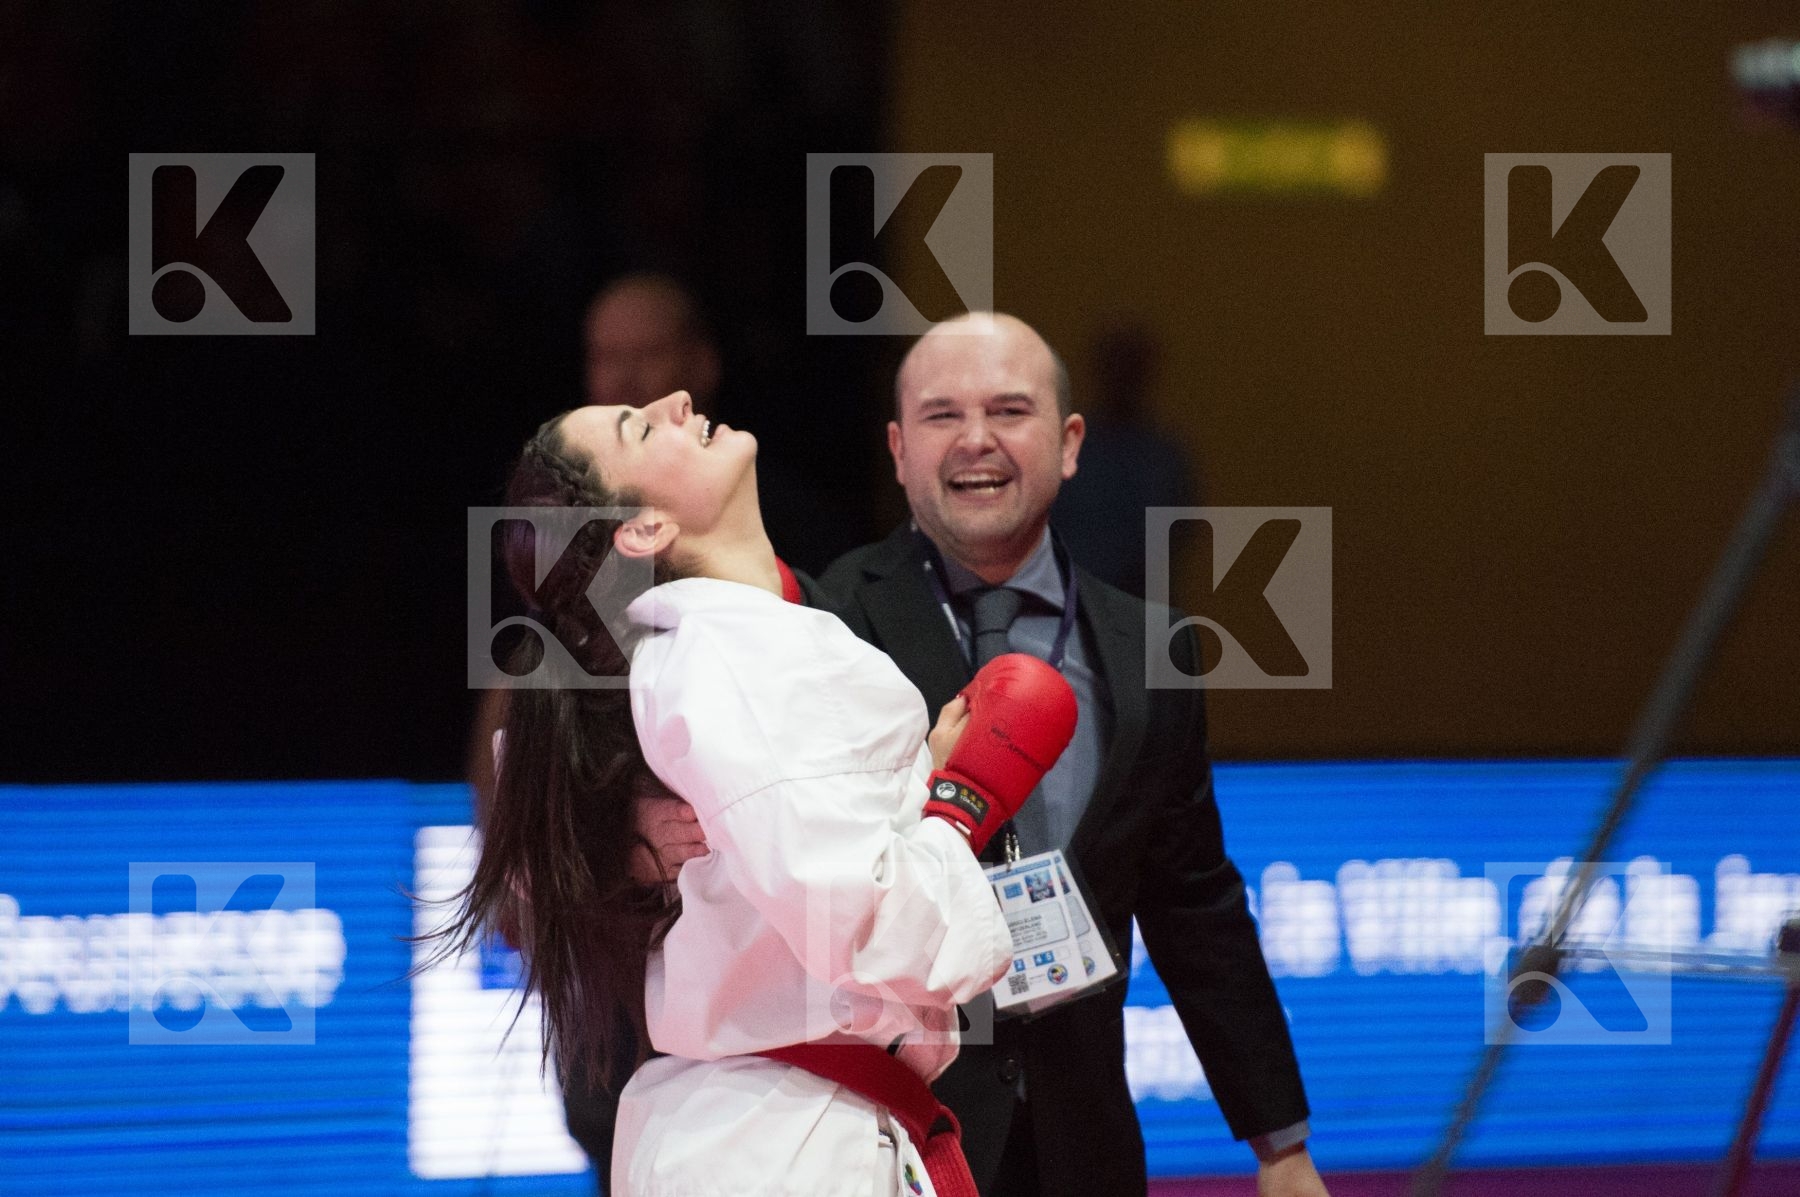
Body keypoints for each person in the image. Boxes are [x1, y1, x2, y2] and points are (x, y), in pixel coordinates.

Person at [438, 390, 1078, 1195]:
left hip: (766, 1129)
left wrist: (923, 786)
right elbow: (875, 930)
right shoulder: (734, 657)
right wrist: (959, 806)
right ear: (643, 530)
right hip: (779, 1146)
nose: (674, 401)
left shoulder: (717, 649)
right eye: (641, 426)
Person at [814, 313, 1331, 1197]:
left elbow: (1194, 905)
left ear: (1069, 443)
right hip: (882, 1146)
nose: (977, 440)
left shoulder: (1152, 649)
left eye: (1010, 410)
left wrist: (1279, 1144)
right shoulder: (829, 629)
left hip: (1082, 1144)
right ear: (898, 450)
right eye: (942, 416)